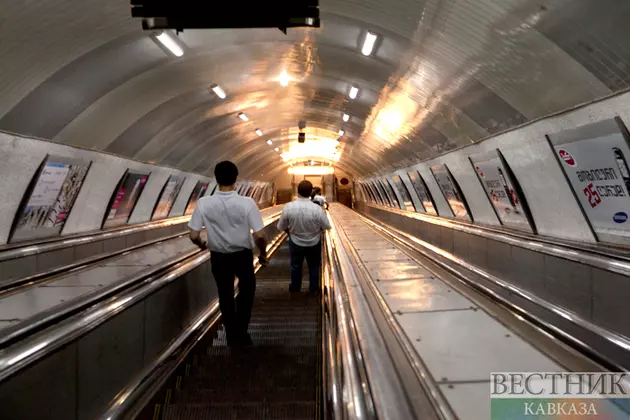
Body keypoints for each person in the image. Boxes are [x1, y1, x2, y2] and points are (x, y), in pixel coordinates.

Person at [188, 161, 268, 347]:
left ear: (216, 179)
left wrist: (202, 245)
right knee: (247, 292)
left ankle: (231, 334)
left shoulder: (204, 203)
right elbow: (260, 234)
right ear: (236, 179)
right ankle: (242, 331)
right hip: (242, 255)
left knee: (224, 294)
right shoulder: (247, 203)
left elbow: (193, 234)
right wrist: (263, 252)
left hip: (219, 256)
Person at [277, 180, 332, 295]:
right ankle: (314, 289)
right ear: (311, 192)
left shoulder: (288, 207)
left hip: (295, 241)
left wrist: (290, 232)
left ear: (298, 191)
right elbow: (327, 226)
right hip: (314, 242)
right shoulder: (317, 209)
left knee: (295, 266)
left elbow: (281, 226)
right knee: (314, 266)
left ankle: (295, 289)